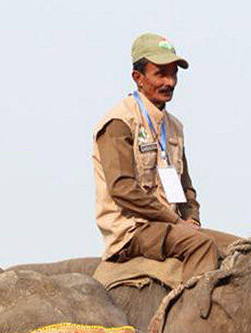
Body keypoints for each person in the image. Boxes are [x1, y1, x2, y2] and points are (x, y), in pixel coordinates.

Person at [92, 34, 237, 280]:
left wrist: (192, 219)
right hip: (134, 231)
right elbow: (122, 189)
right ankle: (193, 316)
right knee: (200, 246)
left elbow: (186, 189)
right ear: (138, 78)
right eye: (160, 74)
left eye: (174, 74)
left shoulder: (174, 127)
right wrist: (175, 221)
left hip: (173, 227)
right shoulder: (119, 122)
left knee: (245, 249)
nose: (169, 82)